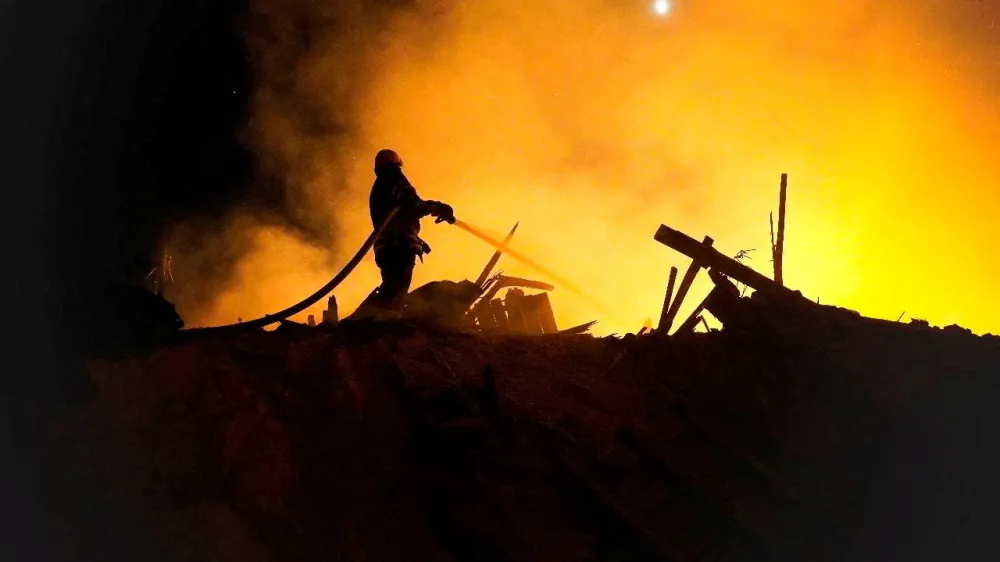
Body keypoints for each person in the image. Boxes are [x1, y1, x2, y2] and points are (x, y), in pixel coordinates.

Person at [366, 149, 455, 315]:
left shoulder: (379, 186)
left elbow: (407, 207)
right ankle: (382, 324)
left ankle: (377, 321)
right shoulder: (394, 177)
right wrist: (437, 207)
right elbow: (414, 204)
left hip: (384, 248)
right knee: (396, 291)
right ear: (397, 163)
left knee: (391, 286)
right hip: (400, 245)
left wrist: (433, 206)